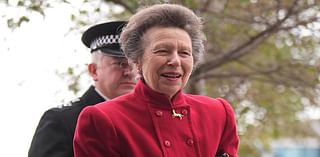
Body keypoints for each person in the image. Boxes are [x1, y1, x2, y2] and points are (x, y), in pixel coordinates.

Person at [74, 4, 239, 157]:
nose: (175, 61)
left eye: (184, 53)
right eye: (162, 51)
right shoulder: (103, 119)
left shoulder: (218, 113)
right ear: (137, 60)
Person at [28, 21, 137, 157]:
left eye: (134, 65)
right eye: (120, 64)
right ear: (94, 70)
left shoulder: (146, 118)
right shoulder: (62, 120)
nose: (130, 72)